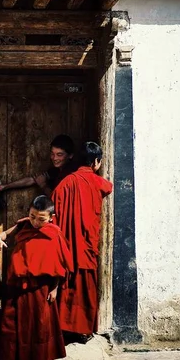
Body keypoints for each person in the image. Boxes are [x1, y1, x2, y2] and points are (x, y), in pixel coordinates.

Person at [0, 195, 71, 360]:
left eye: (41, 219)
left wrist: (55, 288)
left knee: (39, 324)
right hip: (16, 282)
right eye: (32, 216)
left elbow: (61, 264)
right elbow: (7, 233)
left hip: (41, 286)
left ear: (51, 217)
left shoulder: (54, 233)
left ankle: (41, 359)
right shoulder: (24, 224)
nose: (35, 222)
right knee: (9, 321)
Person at [52, 141, 113, 343]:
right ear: (96, 161)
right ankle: (84, 329)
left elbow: (54, 204)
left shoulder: (65, 183)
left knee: (67, 284)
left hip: (68, 245)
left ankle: (62, 325)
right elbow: (109, 187)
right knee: (85, 287)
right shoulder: (95, 181)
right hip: (86, 245)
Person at [0, 135, 76, 197]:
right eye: (52, 154)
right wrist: (4, 186)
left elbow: (60, 201)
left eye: (59, 154)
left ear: (70, 155)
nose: (54, 158)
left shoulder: (72, 175)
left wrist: (43, 186)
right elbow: (33, 180)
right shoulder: (56, 170)